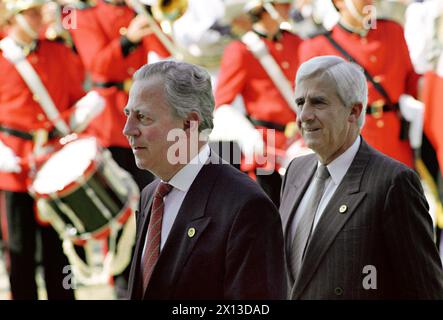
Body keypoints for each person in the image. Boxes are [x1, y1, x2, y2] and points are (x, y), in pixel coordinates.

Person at [279, 55, 443, 299]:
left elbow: (424, 289)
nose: (304, 115)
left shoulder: (392, 183)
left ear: (353, 111)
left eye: (318, 103)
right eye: (300, 102)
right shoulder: (296, 170)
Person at [123, 60, 286, 300]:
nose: (128, 129)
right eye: (128, 115)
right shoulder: (151, 195)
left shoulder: (246, 206)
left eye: (143, 117)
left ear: (189, 124)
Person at [0, 0, 101, 299]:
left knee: (61, 247)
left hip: (55, 165)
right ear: (13, 17)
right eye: (32, 12)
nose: (40, 17)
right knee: (19, 251)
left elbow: (75, 98)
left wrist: (83, 113)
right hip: (15, 167)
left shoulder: (58, 52)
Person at [298, 0, 420, 168]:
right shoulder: (317, 46)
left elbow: (412, 81)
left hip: (396, 139)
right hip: (351, 145)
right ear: (339, 3)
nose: (370, 2)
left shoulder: (393, 31)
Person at [213, 0, 303, 206]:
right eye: (282, 4)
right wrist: (247, 135)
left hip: (301, 141)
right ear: (263, 8)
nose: (288, 7)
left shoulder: (297, 42)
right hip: (267, 147)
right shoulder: (241, 50)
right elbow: (221, 104)